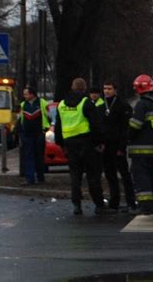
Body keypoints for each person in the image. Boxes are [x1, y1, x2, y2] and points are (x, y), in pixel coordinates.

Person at [55, 78, 105, 215]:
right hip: (86, 142)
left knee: (75, 176)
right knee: (93, 175)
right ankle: (99, 205)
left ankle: (77, 205)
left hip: (70, 144)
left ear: (72, 87)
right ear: (84, 89)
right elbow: (95, 124)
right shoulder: (86, 102)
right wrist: (99, 142)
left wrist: (60, 144)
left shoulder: (62, 104)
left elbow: (58, 126)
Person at [97, 81, 137, 214]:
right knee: (110, 175)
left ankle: (131, 202)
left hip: (118, 146)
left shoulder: (123, 106)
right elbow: (100, 126)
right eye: (104, 88)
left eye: (109, 88)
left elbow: (125, 129)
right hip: (106, 146)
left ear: (115, 90)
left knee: (125, 175)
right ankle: (114, 203)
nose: (106, 91)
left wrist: (122, 146)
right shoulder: (102, 106)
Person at [127, 74, 153, 215]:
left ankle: (146, 207)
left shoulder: (142, 104)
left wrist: (127, 135)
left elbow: (135, 125)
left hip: (140, 150)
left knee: (141, 178)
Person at [19, 87, 50, 186]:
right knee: (29, 156)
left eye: (26, 94)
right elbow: (21, 119)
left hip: (39, 134)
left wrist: (45, 130)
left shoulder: (42, 103)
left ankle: (40, 177)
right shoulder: (23, 104)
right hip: (27, 134)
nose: (25, 96)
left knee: (39, 156)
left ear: (32, 94)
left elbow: (48, 116)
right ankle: (30, 178)